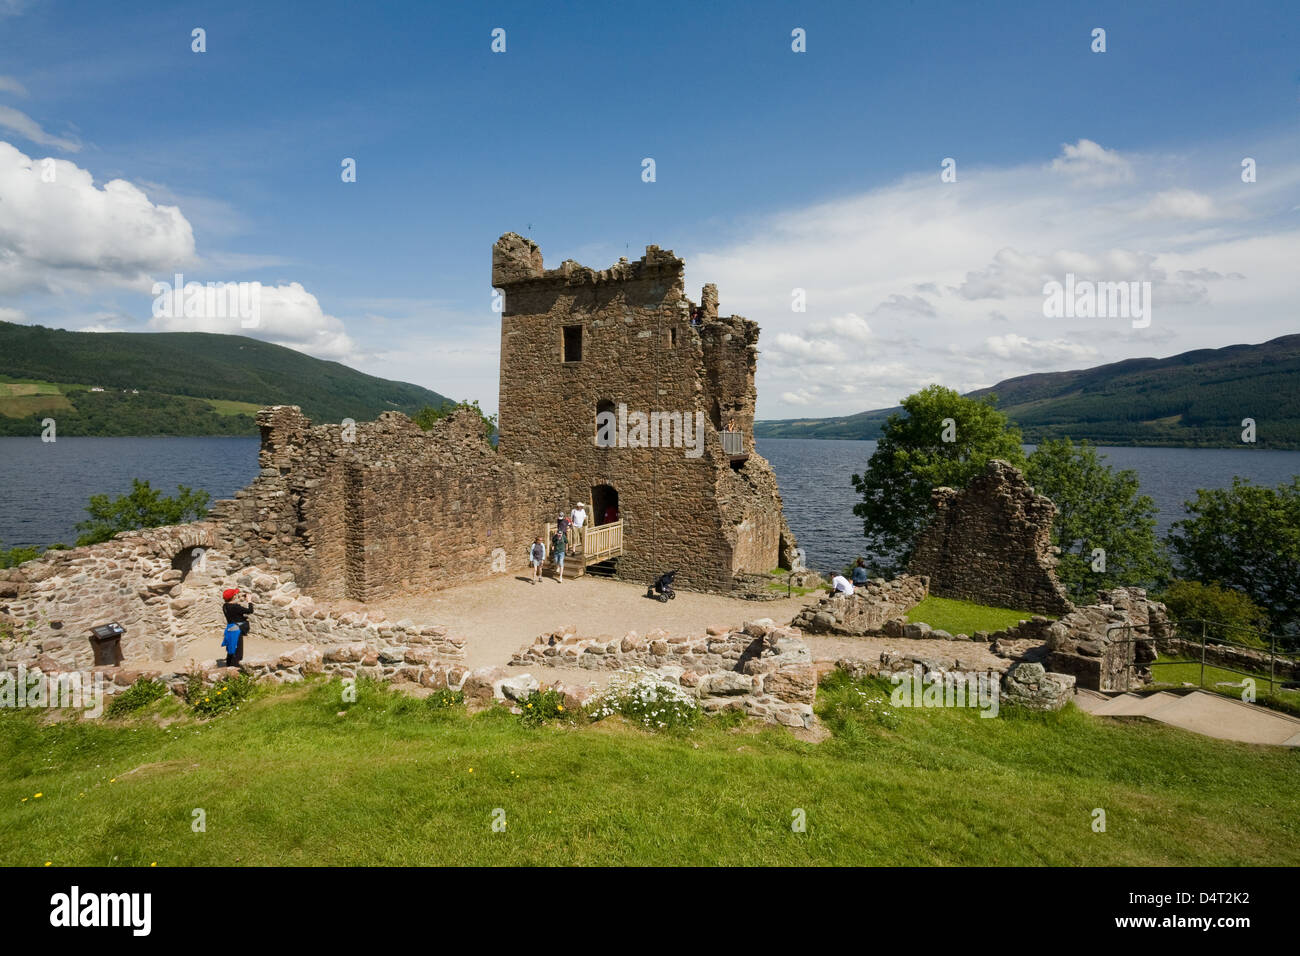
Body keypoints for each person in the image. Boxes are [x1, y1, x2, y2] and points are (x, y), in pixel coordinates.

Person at [221, 587, 253, 664]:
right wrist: (249, 601)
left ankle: (229, 665)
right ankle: (235, 668)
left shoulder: (225, 606)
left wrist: (239, 598)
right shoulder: (236, 607)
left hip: (230, 628)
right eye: (235, 594)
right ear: (233, 597)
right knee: (238, 651)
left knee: (231, 648)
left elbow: (233, 606)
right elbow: (250, 610)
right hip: (237, 630)